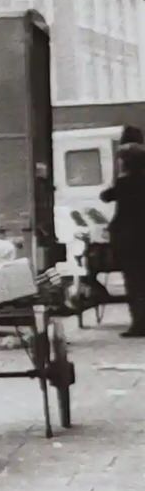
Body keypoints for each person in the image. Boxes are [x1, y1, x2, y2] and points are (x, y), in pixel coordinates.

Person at [103, 125, 145, 337]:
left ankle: (140, 324)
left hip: (130, 238)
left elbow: (107, 195)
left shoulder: (125, 181)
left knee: (135, 282)